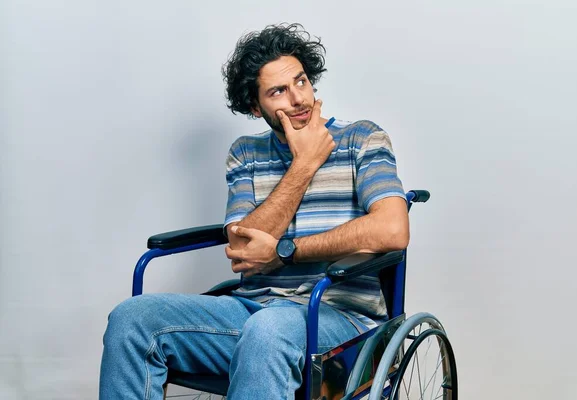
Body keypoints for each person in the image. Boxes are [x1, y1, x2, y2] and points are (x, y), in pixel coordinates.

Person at [99, 23, 409, 400]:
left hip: (340, 318)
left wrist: (287, 250)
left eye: (301, 81)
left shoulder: (362, 138)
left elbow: (393, 229)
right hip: (252, 311)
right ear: (254, 106)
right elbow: (245, 249)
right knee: (132, 320)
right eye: (278, 91)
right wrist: (304, 165)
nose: (299, 99)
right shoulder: (245, 153)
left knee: (269, 329)